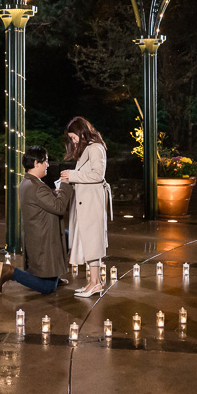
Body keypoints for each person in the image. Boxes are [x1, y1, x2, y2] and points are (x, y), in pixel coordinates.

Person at [0, 145, 74, 295]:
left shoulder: (27, 182)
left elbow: (40, 201)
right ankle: (11, 272)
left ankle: (54, 277)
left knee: (68, 237)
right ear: (36, 163)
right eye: (45, 161)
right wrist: (65, 185)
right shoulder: (38, 187)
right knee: (47, 288)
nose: (48, 165)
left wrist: (52, 193)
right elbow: (58, 207)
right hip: (44, 240)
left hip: (38, 235)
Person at [60, 116, 112, 298]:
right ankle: (93, 282)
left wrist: (72, 176)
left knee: (92, 241)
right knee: (88, 241)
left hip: (92, 202)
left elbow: (98, 175)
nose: (73, 142)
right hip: (86, 201)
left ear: (82, 133)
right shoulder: (88, 149)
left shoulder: (95, 148)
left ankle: (95, 283)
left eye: (74, 137)